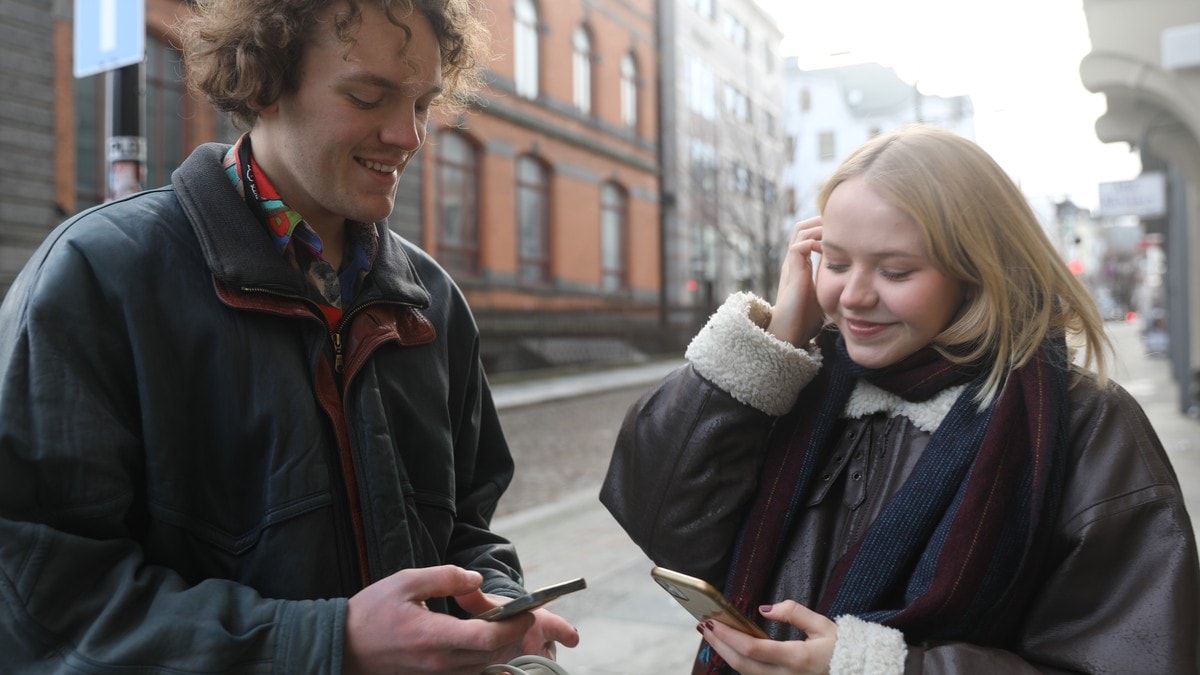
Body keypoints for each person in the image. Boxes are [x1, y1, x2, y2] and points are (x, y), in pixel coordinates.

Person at [0, 0, 579, 672]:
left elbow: (468, 529)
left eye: (422, 104)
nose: (408, 135)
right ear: (263, 79)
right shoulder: (100, 277)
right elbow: (38, 594)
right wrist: (333, 642)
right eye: (369, 96)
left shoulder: (434, 301)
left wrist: (502, 616)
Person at [601, 124, 1200, 673]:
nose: (855, 296)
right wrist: (773, 340)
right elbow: (660, 517)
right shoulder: (794, 382)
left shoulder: (1087, 424)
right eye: (835, 262)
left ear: (977, 270)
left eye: (895, 271)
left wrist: (879, 668)